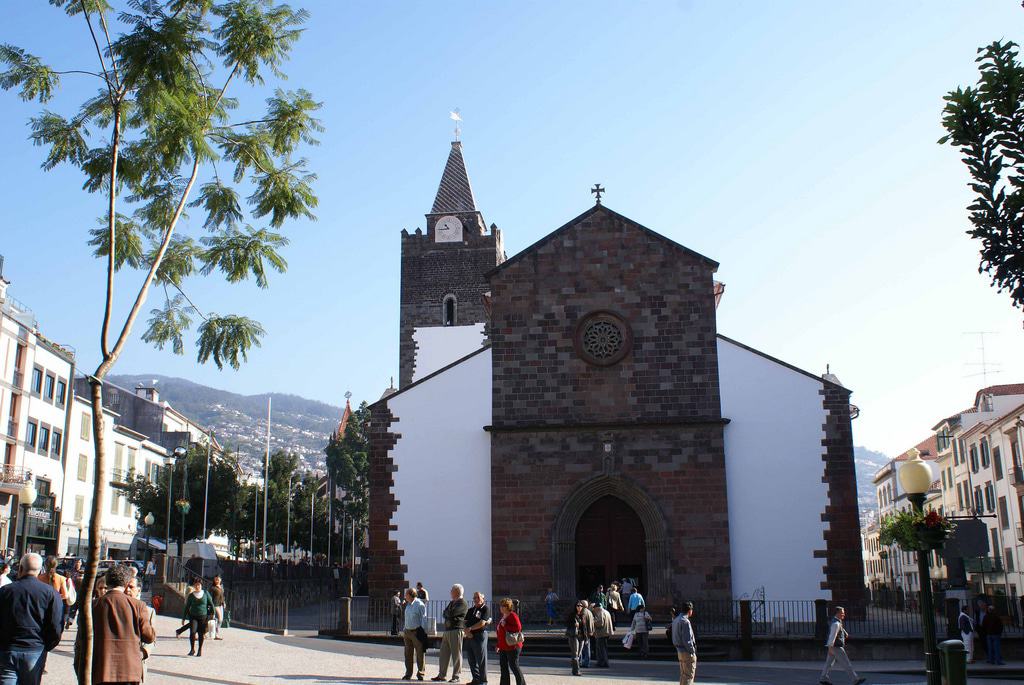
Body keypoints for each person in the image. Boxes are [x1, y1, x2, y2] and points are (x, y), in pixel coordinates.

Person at [81, 563, 155, 685]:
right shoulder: (138, 605)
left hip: (101, 668)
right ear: (126, 583)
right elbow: (149, 636)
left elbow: (82, 638)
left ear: (107, 581)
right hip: (129, 669)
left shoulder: (93, 605)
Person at [0, 553, 63, 685]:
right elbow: (56, 625)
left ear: (20, 568)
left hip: (8, 649)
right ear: (40, 570)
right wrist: (46, 645)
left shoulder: (5, 591)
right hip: (34, 649)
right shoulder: (51, 593)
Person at [819, 606, 865, 685]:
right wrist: (830, 647)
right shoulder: (836, 624)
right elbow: (832, 636)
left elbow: (840, 629)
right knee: (846, 663)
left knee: (828, 663)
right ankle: (855, 679)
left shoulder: (837, 621)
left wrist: (845, 633)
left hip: (833, 647)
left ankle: (823, 678)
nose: (844, 614)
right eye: (842, 613)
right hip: (836, 647)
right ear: (838, 613)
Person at [432, 584, 468, 682]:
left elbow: (452, 613)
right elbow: (445, 613)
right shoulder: (452, 602)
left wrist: (449, 614)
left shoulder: (462, 603)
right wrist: (449, 614)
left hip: (456, 630)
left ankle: (456, 676)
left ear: (457, 591)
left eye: (452, 589)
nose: (450, 591)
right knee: (443, 653)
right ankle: (441, 675)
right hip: (448, 630)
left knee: (456, 654)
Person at [181, 577, 214, 657]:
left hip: (203, 617)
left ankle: (200, 650)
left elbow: (211, 604)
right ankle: (192, 649)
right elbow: (187, 607)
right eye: (195, 585)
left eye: (199, 585)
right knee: (192, 633)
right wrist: (184, 618)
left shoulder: (206, 593)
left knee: (200, 634)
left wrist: (213, 614)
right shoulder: (191, 595)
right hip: (193, 617)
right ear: (194, 586)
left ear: (201, 585)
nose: (197, 586)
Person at [463, 591, 490, 685]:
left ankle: (483, 681)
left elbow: (482, 623)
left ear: (483, 598)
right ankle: (476, 679)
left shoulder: (485, 609)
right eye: (474, 598)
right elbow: (464, 622)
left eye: (478, 597)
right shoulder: (471, 610)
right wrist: (466, 631)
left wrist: (470, 629)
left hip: (480, 635)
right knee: (471, 659)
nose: (476, 599)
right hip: (469, 636)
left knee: (481, 660)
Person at [496, 598, 525, 685]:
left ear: (507, 607)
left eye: (503, 606)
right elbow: (500, 633)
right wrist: (498, 645)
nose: (500, 607)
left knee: (514, 666)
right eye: (500, 605)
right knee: (503, 667)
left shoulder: (512, 615)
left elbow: (518, 628)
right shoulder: (503, 616)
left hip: (513, 646)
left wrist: (506, 625)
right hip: (503, 646)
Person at [37, 556, 70, 632]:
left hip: (42, 606)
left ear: (44, 565)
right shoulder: (61, 578)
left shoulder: (39, 578)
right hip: (56, 606)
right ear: (56, 565)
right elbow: (65, 595)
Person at [402, 588, 428, 681]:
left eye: (406, 594)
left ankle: (421, 673)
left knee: (420, 654)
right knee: (408, 654)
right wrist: (405, 628)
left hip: (416, 632)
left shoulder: (420, 605)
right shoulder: (408, 605)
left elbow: (424, 619)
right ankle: (408, 674)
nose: (405, 596)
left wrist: (423, 633)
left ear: (411, 595)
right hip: (407, 632)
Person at [672, 601, 697, 685]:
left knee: (683, 675)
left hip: (679, 650)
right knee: (689, 676)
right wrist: (692, 651)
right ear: (690, 611)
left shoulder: (676, 620)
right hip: (686, 651)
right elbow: (687, 640)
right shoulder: (685, 621)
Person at [566, 601, 587, 676]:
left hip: (581, 636)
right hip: (574, 636)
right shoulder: (572, 615)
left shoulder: (583, 615)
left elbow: (584, 628)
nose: (579, 607)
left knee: (578, 654)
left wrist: (586, 638)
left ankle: (574, 669)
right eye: (578, 605)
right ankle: (577, 671)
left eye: (581, 606)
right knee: (575, 654)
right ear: (575, 606)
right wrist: (574, 624)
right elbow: (567, 624)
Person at [591, 599, 613, 668]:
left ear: (596, 608)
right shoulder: (606, 611)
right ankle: (604, 662)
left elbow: (600, 623)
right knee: (604, 648)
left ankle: (602, 662)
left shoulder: (600, 612)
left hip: (601, 633)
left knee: (601, 649)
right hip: (607, 632)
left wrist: (593, 621)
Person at [209, 576, 226, 640]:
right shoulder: (212, 588)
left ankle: (215, 633)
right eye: (216, 579)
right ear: (214, 580)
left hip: (220, 605)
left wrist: (224, 602)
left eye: (218, 579)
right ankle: (216, 634)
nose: (217, 580)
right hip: (215, 604)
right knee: (220, 619)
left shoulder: (221, 587)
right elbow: (209, 596)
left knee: (217, 620)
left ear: (220, 580)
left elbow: (222, 596)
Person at [579, 601, 594, 668]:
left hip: (584, 632)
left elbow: (583, 624)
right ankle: (586, 662)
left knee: (582, 648)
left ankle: (583, 662)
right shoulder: (589, 612)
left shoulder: (583, 612)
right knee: (587, 647)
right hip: (588, 632)